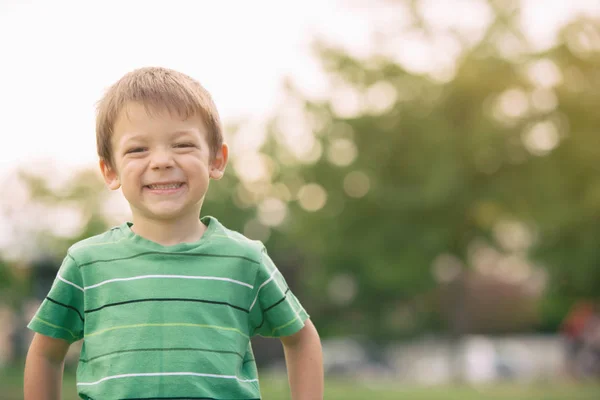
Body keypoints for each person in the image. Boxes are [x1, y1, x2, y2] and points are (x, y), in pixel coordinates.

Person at [23, 67, 324, 399]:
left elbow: (301, 338)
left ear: (216, 160)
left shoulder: (246, 260)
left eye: (182, 145)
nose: (162, 161)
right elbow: (45, 354)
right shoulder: (85, 264)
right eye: (138, 150)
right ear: (110, 170)